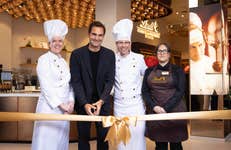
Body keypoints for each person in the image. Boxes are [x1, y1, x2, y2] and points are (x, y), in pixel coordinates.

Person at [70, 21, 115, 150]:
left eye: (100, 35)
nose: (97, 38)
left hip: (103, 103)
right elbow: (76, 81)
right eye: (94, 34)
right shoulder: (77, 54)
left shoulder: (109, 55)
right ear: (89, 34)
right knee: (83, 139)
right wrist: (84, 103)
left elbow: (109, 81)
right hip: (83, 103)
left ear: (103, 36)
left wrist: (101, 101)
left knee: (103, 138)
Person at [32, 19, 74, 150]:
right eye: (54, 41)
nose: (57, 44)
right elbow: (46, 88)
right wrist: (62, 105)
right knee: (47, 144)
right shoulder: (43, 60)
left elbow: (69, 85)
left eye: (60, 41)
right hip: (49, 109)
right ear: (49, 44)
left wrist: (71, 102)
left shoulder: (64, 62)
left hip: (64, 111)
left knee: (60, 143)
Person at [142, 43, 188, 150]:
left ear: (169, 54)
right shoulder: (149, 71)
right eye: (159, 51)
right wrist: (154, 107)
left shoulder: (178, 70)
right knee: (160, 145)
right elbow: (145, 91)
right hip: (156, 112)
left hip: (175, 112)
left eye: (164, 51)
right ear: (156, 54)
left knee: (176, 144)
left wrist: (165, 108)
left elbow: (180, 91)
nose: (162, 53)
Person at [112, 19, 147, 150]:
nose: (123, 45)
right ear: (116, 44)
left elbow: (149, 76)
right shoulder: (112, 59)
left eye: (126, 42)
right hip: (120, 106)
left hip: (136, 105)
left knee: (138, 140)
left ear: (130, 43)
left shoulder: (139, 58)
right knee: (122, 142)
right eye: (120, 42)